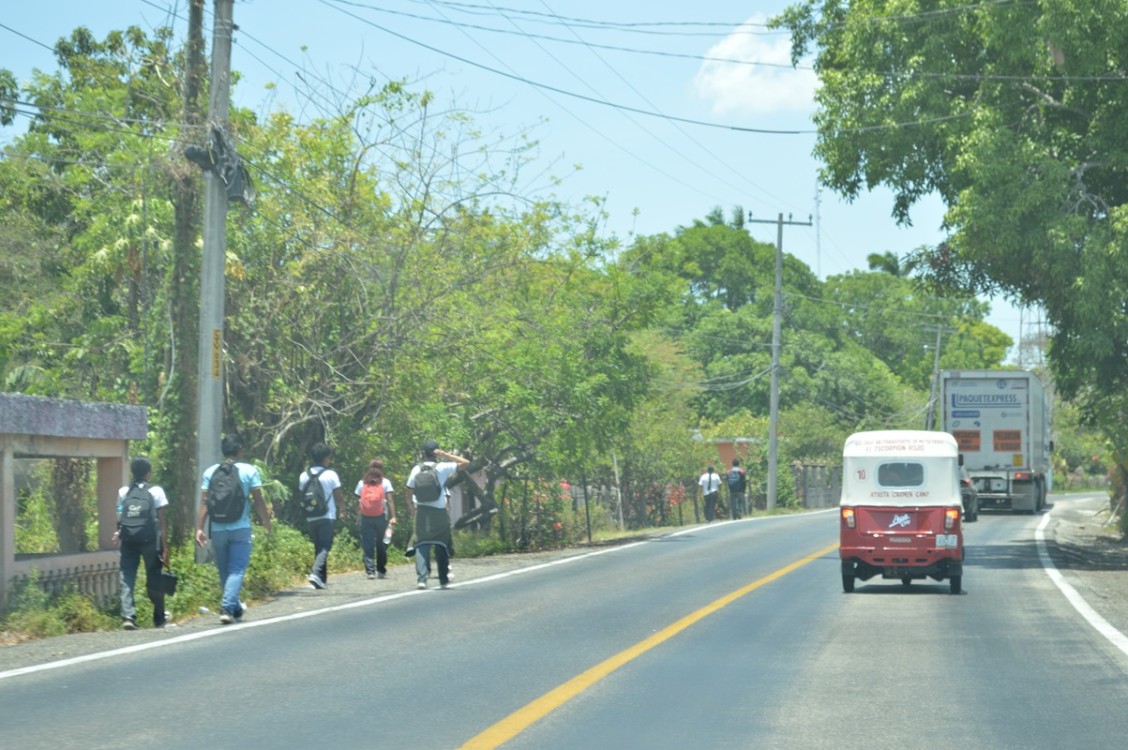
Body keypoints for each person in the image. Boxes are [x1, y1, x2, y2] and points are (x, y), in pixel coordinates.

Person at [195, 434, 272, 624]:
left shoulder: (211, 472)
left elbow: (205, 502)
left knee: (224, 571)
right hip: (240, 528)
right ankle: (227, 608)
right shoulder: (249, 471)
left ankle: (235, 607)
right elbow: (258, 500)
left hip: (218, 530)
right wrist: (265, 521)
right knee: (236, 570)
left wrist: (199, 528)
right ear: (239, 449)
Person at [114, 456, 170, 630]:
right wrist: (165, 547)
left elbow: (119, 514)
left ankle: (128, 616)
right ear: (148, 472)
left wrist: (120, 531)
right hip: (150, 541)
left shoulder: (124, 491)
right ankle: (159, 617)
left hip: (128, 539)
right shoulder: (156, 491)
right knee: (154, 575)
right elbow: (161, 522)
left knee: (126, 576)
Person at [406, 440, 469, 590]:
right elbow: (465, 463)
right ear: (437, 453)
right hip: (439, 511)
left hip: (422, 511)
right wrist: (446, 455)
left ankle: (422, 579)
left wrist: (411, 507)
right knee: (441, 545)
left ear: (423, 453)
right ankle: (443, 579)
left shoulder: (416, 469)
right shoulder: (442, 467)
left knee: (421, 544)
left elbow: (408, 490)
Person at [300, 442, 344, 590]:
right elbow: (338, 496)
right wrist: (342, 509)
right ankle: (315, 573)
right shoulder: (331, 474)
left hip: (311, 516)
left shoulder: (303, 475)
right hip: (327, 515)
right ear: (326, 458)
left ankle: (321, 580)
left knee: (318, 546)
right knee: (325, 546)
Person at [353, 459, 397, 579]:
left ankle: (370, 571)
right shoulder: (385, 482)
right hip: (381, 517)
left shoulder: (362, 482)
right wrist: (393, 516)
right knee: (381, 544)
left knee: (368, 544)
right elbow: (390, 500)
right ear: (381, 469)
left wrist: (358, 517)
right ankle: (381, 570)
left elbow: (358, 502)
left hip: (366, 517)